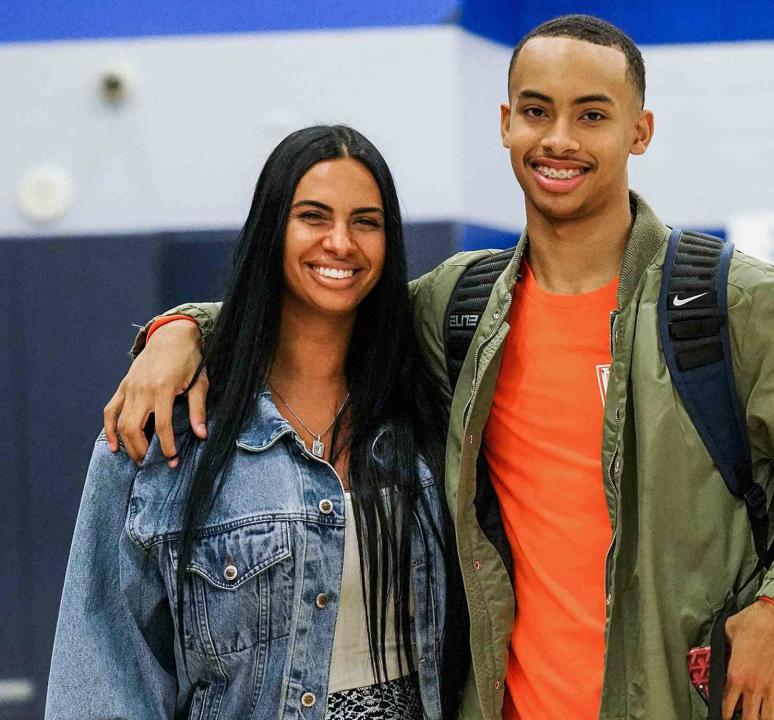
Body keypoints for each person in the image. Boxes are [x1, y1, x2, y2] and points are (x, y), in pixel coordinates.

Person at [101, 16, 774, 720]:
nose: (559, 140)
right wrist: (181, 330)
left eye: (591, 115)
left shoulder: (729, 306)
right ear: (505, 123)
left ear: (639, 131)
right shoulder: (460, 309)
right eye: (537, 112)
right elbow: (323, 308)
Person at [47, 125, 470, 719]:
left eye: (366, 222)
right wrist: (176, 333)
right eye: (313, 216)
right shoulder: (163, 428)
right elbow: (104, 674)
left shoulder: (423, 406)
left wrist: (182, 326)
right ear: (273, 230)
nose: (341, 242)